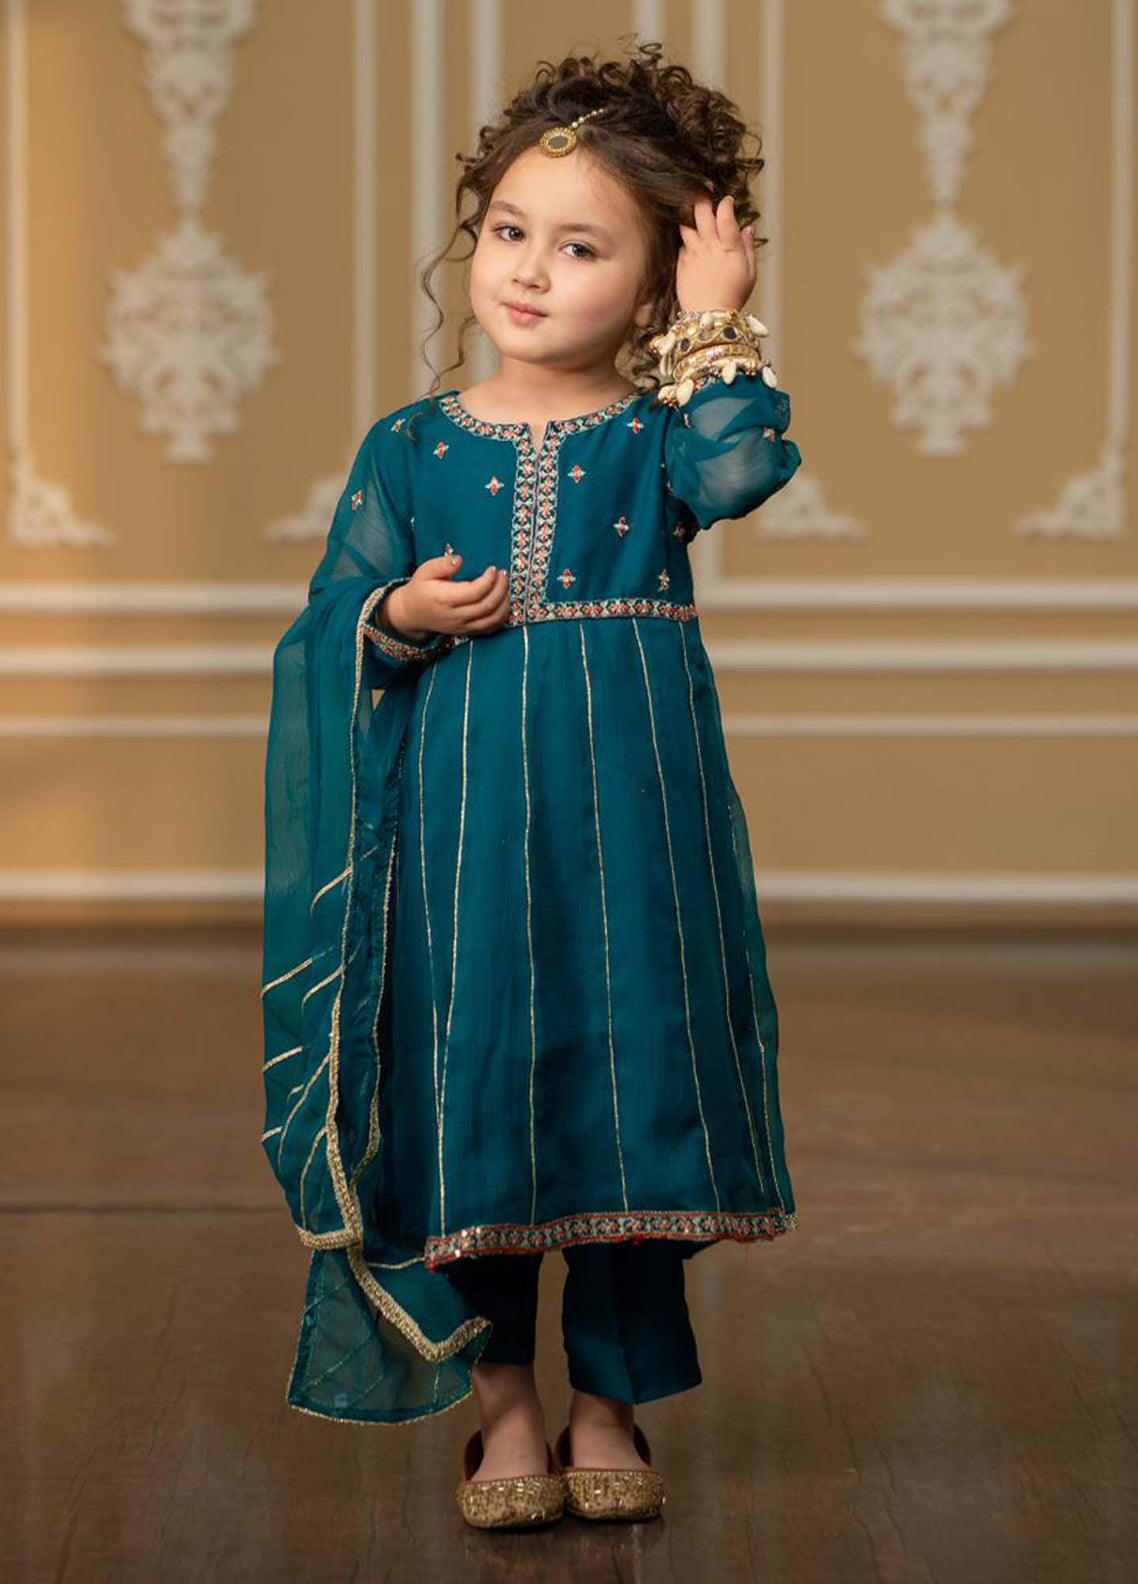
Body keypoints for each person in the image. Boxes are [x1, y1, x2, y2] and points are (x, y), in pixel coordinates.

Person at [260, 37, 802, 1526]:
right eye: (510, 230)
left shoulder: (658, 443)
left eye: (581, 247)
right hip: (459, 833)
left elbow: (744, 473)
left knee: (629, 1084)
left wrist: (720, 321)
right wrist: (396, 614)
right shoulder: (411, 448)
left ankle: (608, 1403)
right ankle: (503, 1406)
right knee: (471, 1083)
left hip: (636, 823)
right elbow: (331, 625)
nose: (529, 270)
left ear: (651, 284)